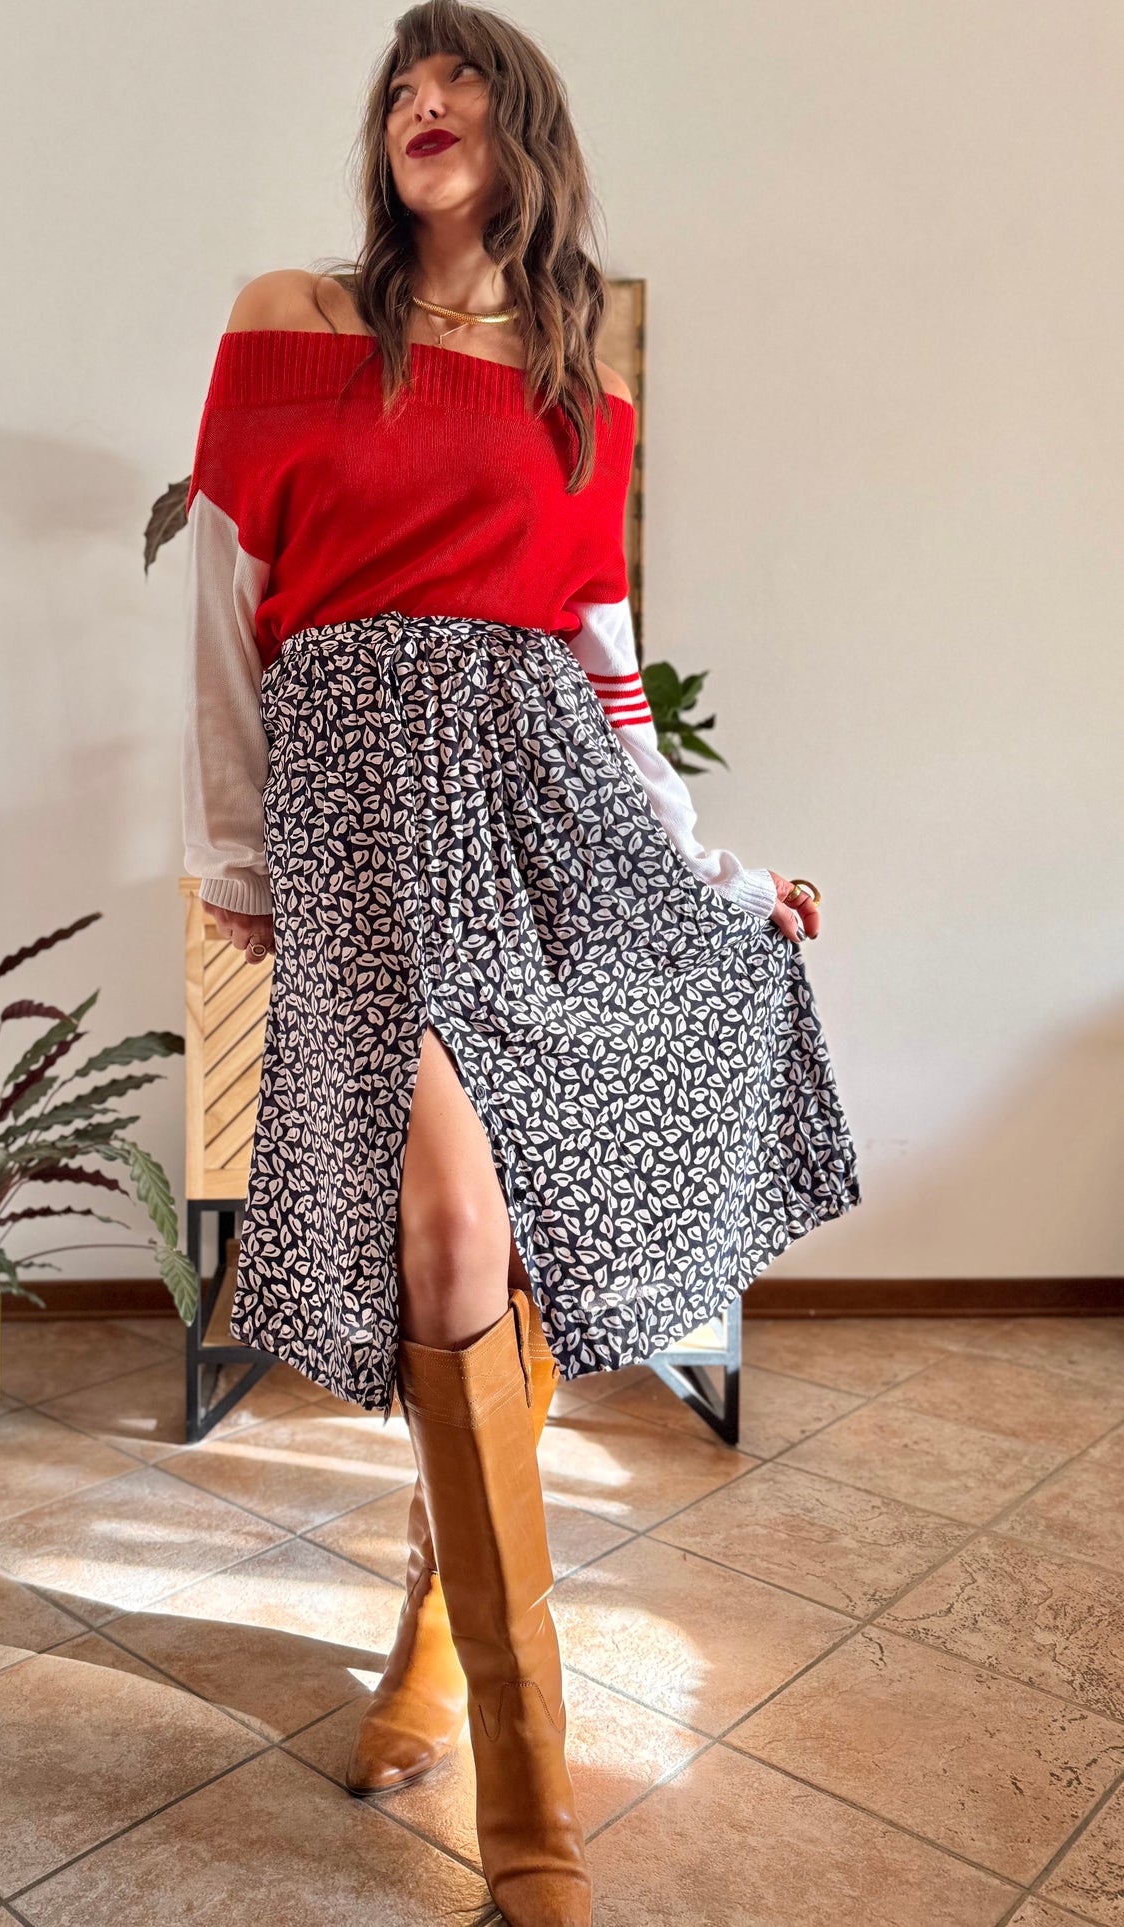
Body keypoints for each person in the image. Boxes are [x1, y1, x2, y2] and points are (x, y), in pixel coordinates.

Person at [178, 5, 860, 1919]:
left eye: (459, 83)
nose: (422, 106)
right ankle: (530, 1799)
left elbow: (604, 660)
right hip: (356, 802)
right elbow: (226, 600)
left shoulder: (581, 383)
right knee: (452, 1223)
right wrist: (230, 848)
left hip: (540, 789)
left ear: (524, 129)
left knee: (478, 1236)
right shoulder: (292, 314)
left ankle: (444, 1663)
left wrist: (705, 870)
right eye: (400, 88)